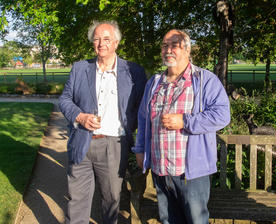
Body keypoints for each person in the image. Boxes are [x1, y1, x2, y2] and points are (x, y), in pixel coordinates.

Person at [132, 29, 230, 224]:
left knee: (196, 221)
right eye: (164, 46)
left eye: (174, 45)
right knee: (169, 220)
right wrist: (141, 149)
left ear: (187, 49)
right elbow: (143, 118)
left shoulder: (204, 80)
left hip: (191, 173)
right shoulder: (155, 83)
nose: (168, 50)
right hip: (161, 170)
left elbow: (222, 115)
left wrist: (185, 121)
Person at [59, 20, 146, 224]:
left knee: (111, 200)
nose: (101, 43)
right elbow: (64, 99)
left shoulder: (133, 71)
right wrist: (80, 116)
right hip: (82, 141)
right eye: (96, 39)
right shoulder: (80, 68)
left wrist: (129, 128)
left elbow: (141, 108)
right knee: (76, 200)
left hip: (114, 145)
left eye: (106, 39)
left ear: (116, 42)